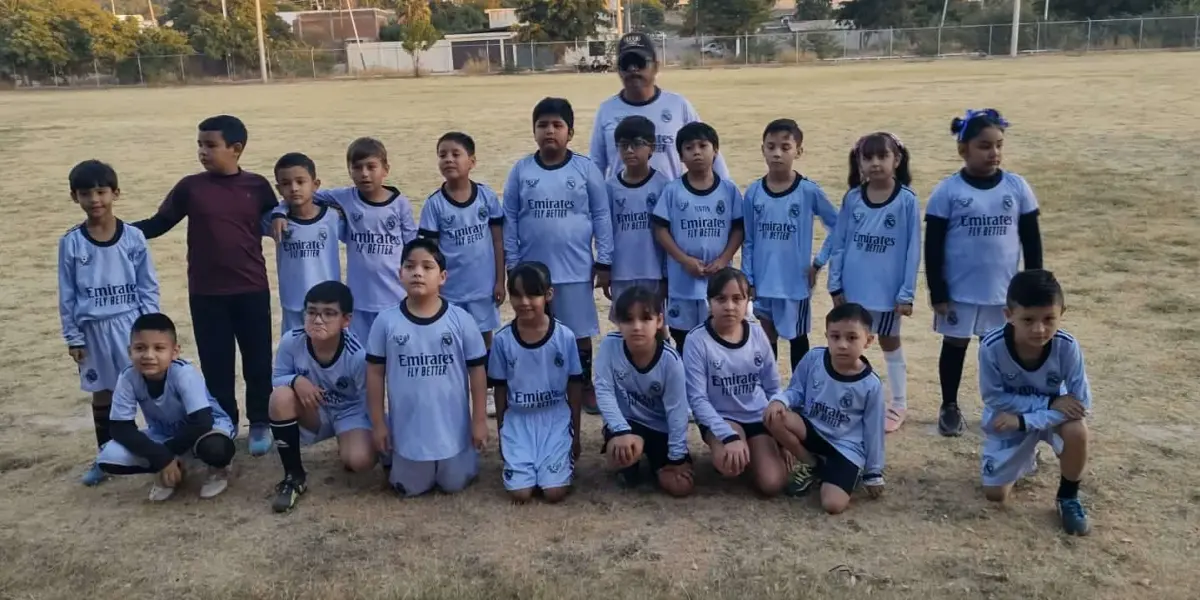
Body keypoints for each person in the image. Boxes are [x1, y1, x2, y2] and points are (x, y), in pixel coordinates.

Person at [132, 115, 278, 456]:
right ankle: (224, 423)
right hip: (206, 293)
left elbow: (280, 217)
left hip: (251, 289)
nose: (202, 152)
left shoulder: (257, 187)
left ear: (236, 148)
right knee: (216, 365)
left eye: (210, 145)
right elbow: (158, 223)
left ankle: (260, 421)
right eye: (199, 144)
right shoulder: (190, 188)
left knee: (257, 361)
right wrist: (111, 230)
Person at [925, 109, 1043, 437]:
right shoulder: (947, 192)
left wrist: (1034, 286)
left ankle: (1002, 406)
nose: (994, 153)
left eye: (999, 145)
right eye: (984, 146)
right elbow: (932, 247)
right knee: (955, 346)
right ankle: (949, 405)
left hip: (1004, 293)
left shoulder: (1017, 187)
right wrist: (938, 291)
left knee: (1001, 351)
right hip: (960, 293)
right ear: (963, 150)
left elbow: (1031, 240)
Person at [502, 97, 613, 414]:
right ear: (534, 131)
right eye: (542, 125)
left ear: (571, 132)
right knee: (534, 329)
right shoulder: (521, 171)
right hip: (532, 272)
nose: (549, 131)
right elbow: (510, 218)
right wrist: (513, 264)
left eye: (557, 125)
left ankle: (585, 384)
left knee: (578, 333)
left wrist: (604, 261)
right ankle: (539, 384)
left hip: (575, 269)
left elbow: (602, 217)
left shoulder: (585, 169)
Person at [59, 160, 160, 486]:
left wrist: (149, 328)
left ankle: (159, 449)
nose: (95, 199)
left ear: (115, 192)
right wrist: (74, 337)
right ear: (75, 197)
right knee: (102, 394)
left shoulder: (133, 237)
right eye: (85, 193)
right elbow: (67, 293)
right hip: (92, 331)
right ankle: (106, 457)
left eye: (101, 191)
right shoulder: (71, 242)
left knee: (145, 387)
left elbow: (148, 285)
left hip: (129, 324)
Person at [366, 239, 489, 497]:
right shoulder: (385, 322)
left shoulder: (461, 320)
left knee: (454, 485)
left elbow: (477, 372)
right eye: (410, 266)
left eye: (427, 267)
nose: (418, 273)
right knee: (410, 489)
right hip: (409, 436)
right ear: (400, 274)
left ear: (442, 276)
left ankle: (455, 461)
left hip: (453, 435)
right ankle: (394, 459)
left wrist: (479, 421)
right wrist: (378, 423)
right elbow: (375, 374)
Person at [978, 269, 1092, 535]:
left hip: (1028, 418)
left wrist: (1025, 420)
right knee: (995, 495)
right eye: (1028, 319)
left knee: (1077, 428)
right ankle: (1026, 456)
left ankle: (1068, 497)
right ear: (1009, 316)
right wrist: (1050, 402)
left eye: (1049, 318)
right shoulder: (992, 347)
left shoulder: (1067, 346)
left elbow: (1081, 402)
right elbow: (993, 397)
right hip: (1013, 418)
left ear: (1062, 312)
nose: (1040, 329)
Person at [273, 137, 418, 342]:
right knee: (361, 356)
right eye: (357, 167)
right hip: (358, 300)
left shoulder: (400, 204)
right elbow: (305, 194)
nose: (364, 173)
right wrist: (280, 211)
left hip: (395, 297)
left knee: (395, 351)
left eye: (371, 167)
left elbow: (413, 249)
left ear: (385, 169)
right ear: (349, 170)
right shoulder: (345, 197)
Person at [827, 132, 920, 433]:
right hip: (855, 290)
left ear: (898, 160)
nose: (876, 163)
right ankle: (850, 400)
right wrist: (835, 284)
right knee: (850, 343)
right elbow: (839, 243)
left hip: (888, 293)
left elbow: (912, 250)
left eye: (883, 156)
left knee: (889, 342)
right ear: (859, 162)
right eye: (868, 158)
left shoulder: (906, 201)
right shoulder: (852, 198)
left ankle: (899, 403)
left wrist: (906, 293)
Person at [95, 313, 237, 501]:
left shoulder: (183, 373)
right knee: (109, 458)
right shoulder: (128, 377)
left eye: (159, 348)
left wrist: (165, 454)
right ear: (130, 351)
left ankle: (218, 469)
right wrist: (161, 456)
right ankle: (176, 469)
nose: (149, 355)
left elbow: (202, 421)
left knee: (216, 448)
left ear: (175, 351)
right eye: (140, 348)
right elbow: (120, 428)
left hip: (208, 430)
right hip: (164, 433)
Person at [763, 303, 886, 513]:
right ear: (827, 336)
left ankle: (845, 472)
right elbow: (796, 391)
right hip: (812, 431)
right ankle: (812, 465)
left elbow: (874, 432)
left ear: (868, 340)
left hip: (845, 447)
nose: (843, 345)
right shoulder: (814, 359)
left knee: (832, 505)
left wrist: (873, 472)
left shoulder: (871, 385)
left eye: (852, 338)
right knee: (774, 416)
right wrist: (780, 400)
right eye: (835, 337)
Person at [417, 132, 505, 416]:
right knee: (450, 340)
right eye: (442, 154)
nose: (448, 159)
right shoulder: (434, 204)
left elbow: (498, 240)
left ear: (472, 161)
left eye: (456, 154)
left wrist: (500, 279)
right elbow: (429, 252)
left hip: (482, 287)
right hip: (451, 290)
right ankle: (453, 392)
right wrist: (433, 288)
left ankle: (488, 390)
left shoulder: (487, 197)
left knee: (484, 339)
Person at [267, 281, 375, 513]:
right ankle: (294, 476)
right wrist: (296, 381)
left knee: (360, 461)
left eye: (329, 314)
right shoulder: (291, 341)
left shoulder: (357, 355)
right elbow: (277, 378)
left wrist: (372, 432)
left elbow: (369, 398)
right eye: (312, 312)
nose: (318, 320)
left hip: (349, 412)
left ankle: (349, 443)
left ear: (346, 320)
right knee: (280, 398)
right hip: (314, 411)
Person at [741, 119, 838, 369]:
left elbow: (839, 226)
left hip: (794, 285)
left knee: (797, 340)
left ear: (798, 151)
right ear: (762, 149)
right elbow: (749, 240)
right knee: (764, 342)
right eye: (771, 146)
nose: (777, 153)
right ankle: (769, 396)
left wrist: (817, 264)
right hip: (762, 284)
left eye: (785, 147)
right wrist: (748, 279)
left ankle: (799, 396)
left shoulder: (808, 191)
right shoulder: (753, 192)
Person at [684, 268, 785, 496]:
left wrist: (781, 434)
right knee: (730, 465)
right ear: (709, 302)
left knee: (772, 484)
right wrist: (727, 435)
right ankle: (740, 450)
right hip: (723, 417)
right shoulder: (697, 340)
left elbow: (772, 387)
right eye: (721, 299)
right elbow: (697, 399)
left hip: (756, 416)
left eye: (737, 298)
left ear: (748, 301)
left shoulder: (757, 333)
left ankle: (760, 453)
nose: (729, 306)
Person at [488, 262, 583, 503]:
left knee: (554, 492)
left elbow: (574, 386)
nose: (524, 302)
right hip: (519, 420)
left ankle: (555, 465)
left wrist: (576, 434)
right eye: (517, 295)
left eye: (533, 294)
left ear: (549, 294)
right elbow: (500, 389)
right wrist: (502, 431)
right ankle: (525, 465)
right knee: (520, 494)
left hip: (555, 418)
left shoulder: (565, 337)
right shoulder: (502, 341)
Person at [651, 122, 744, 352]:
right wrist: (684, 260)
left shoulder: (728, 190)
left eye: (703, 146)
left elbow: (738, 229)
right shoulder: (673, 191)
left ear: (716, 151)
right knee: (684, 339)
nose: (697, 152)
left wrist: (724, 259)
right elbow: (660, 229)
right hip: (683, 282)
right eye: (689, 147)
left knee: (718, 337)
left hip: (718, 281)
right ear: (681, 156)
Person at [589, 32, 730, 181]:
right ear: (618, 70)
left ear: (656, 66)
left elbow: (708, 150)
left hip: (670, 201)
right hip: (621, 202)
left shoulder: (678, 106)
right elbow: (596, 164)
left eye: (640, 62)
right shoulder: (607, 110)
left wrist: (727, 190)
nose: (633, 69)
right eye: (626, 63)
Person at [594, 286, 693, 497]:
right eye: (628, 320)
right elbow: (604, 391)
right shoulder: (609, 347)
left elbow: (677, 412)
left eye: (645, 318)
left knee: (680, 487)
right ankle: (629, 465)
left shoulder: (671, 361)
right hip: (629, 423)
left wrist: (677, 457)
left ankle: (657, 463)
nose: (637, 327)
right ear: (618, 323)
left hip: (660, 428)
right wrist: (620, 430)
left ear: (659, 321)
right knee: (621, 455)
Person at [604, 116, 671, 321]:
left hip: (653, 271)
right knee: (626, 324)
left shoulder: (664, 186)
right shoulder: (610, 188)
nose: (630, 150)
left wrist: (667, 275)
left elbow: (669, 234)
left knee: (655, 323)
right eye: (624, 145)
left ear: (651, 147)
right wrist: (605, 267)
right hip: (622, 272)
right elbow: (605, 232)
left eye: (637, 144)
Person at [270, 152, 343, 333]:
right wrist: (279, 211)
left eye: (300, 182)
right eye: (286, 184)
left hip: (328, 303)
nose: (294, 188)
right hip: (293, 303)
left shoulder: (333, 217)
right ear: (279, 189)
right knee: (295, 354)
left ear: (315, 184)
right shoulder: (276, 221)